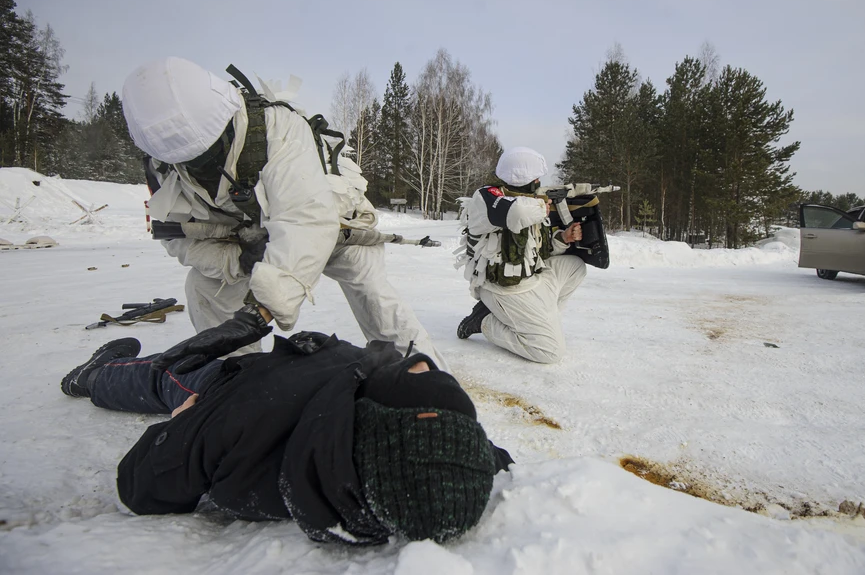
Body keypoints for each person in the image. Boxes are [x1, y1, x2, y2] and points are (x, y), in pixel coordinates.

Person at [122, 57, 446, 369]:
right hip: (249, 240)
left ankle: (430, 386)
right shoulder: (162, 169)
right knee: (204, 288)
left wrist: (259, 311)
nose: (200, 163)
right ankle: (237, 384)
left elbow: (306, 220)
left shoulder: (276, 128)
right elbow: (179, 237)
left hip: (335, 219)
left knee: (373, 294)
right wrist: (235, 262)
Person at [59, 330, 512, 545]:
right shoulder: (416, 453)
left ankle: (92, 373)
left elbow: (140, 485)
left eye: (415, 379)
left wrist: (179, 421)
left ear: (378, 420)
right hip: (304, 362)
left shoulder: (243, 422)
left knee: (165, 377)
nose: (420, 365)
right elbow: (459, 460)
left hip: (230, 385)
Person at [455, 147, 587, 364]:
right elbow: (517, 212)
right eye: (535, 177)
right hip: (504, 290)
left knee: (575, 266)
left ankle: (539, 319)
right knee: (551, 352)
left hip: (531, 279)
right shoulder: (486, 197)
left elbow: (538, 251)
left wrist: (564, 238)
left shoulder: (530, 201)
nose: (538, 182)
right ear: (524, 179)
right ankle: (486, 321)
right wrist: (543, 206)